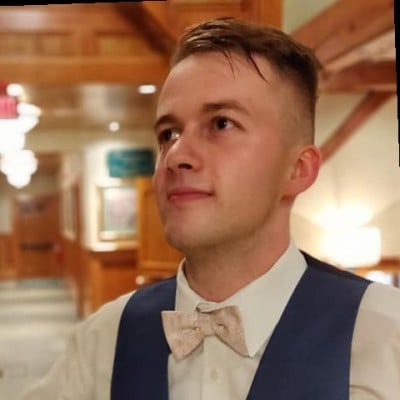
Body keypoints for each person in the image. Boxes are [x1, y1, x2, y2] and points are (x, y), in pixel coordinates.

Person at [23, 17, 400, 400]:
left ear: (298, 170)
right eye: (168, 133)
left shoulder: (386, 336)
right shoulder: (103, 340)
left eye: (221, 124)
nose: (176, 155)